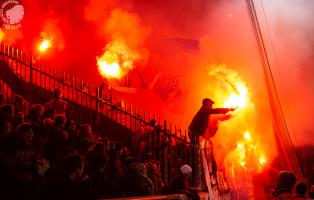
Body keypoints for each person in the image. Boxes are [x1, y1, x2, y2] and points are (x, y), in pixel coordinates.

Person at [188, 98, 235, 188]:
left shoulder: (205, 111)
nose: (211, 106)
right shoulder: (205, 109)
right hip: (194, 133)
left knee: (197, 152)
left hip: (196, 133)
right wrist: (228, 109)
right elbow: (215, 111)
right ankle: (196, 177)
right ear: (207, 104)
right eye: (211, 104)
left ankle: (197, 175)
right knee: (196, 154)